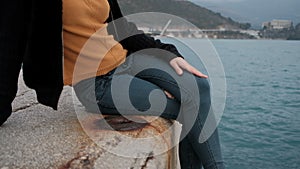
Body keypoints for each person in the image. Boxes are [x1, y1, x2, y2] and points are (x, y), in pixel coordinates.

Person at [0, 0, 224, 168]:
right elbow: (10, 42)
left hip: (127, 58)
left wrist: (167, 52)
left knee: (198, 87)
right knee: (188, 111)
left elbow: (120, 26)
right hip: (96, 82)